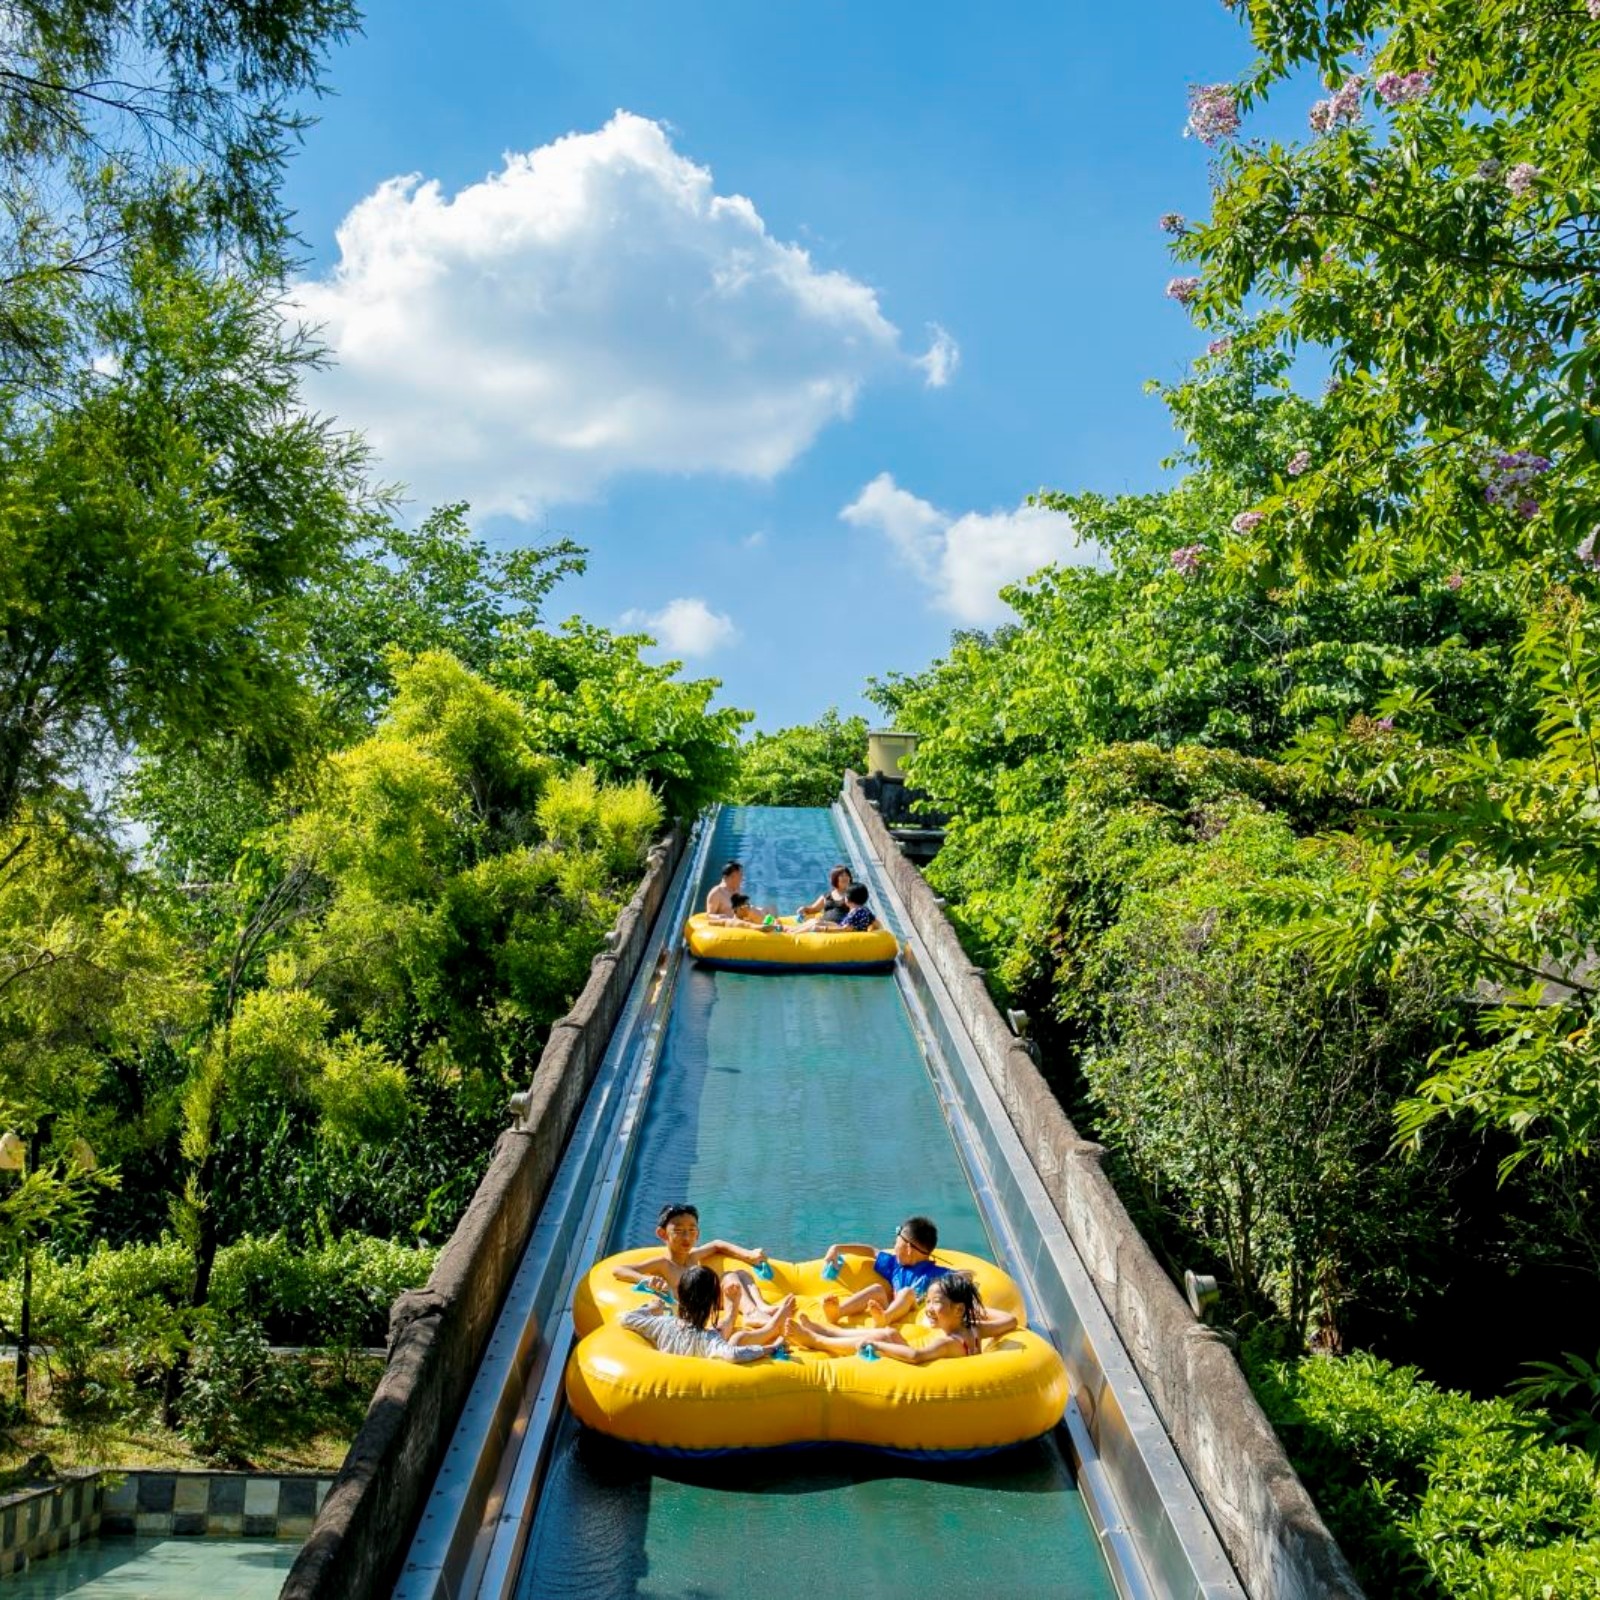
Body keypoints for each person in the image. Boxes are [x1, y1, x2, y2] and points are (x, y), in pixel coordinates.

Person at [789, 1271, 1015, 1363]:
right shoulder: (975, 1330)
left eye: (936, 1303)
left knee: (882, 1337)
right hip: (938, 1353)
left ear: (958, 1310)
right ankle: (829, 1330)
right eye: (928, 1301)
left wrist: (878, 1346)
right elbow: (1010, 1320)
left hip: (919, 1374)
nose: (928, 1308)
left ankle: (817, 1340)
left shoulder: (948, 1342)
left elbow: (915, 1355)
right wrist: (973, 1310)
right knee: (889, 1332)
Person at [611, 1202, 774, 1323]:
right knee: (729, 1276)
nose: (687, 1238)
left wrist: (749, 1255)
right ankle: (751, 1313)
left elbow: (717, 1245)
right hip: (693, 1311)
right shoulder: (663, 1264)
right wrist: (645, 1280)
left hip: (709, 1302)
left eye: (692, 1230)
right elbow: (619, 1269)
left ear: (698, 1233)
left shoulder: (693, 1256)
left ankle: (761, 1307)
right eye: (679, 1231)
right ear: (662, 1234)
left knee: (741, 1274)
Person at [619, 1264, 793, 1361]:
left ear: (681, 1296)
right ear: (713, 1304)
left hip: (685, 1341)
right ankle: (771, 1327)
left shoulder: (661, 1324)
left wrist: (650, 1309)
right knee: (736, 1339)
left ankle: (733, 1312)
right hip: (700, 1362)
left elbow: (626, 1318)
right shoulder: (710, 1340)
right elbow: (733, 1354)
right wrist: (770, 1348)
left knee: (721, 1330)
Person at [816, 1215, 946, 1326]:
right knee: (877, 1289)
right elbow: (871, 1251)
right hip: (890, 1311)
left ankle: (885, 1317)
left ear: (907, 1248)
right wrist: (837, 1248)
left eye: (896, 1242)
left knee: (907, 1292)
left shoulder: (934, 1273)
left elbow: (961, 1276)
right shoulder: (895, 1264)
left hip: (913, 1315)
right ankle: (838, 1312)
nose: (893, 1247)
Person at [795, 882, 878, 935]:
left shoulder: (855, 913)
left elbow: (845, 929)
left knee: (815, 926)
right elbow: (876, 923)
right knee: (815, 921)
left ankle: (793, 934)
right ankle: (791, 930)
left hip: (844, 934)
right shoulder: (865, 910)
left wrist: (824, 929)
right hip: (841, 927)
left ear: (848, 899)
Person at [708, 892, 779, 932]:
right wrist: (775, 924)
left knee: (770, 909)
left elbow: (709, 922)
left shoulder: (727, 920)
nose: (749, 907)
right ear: (740, 908)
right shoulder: (741, 923)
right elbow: (764, 928)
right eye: (747, 905)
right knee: (772, 911)